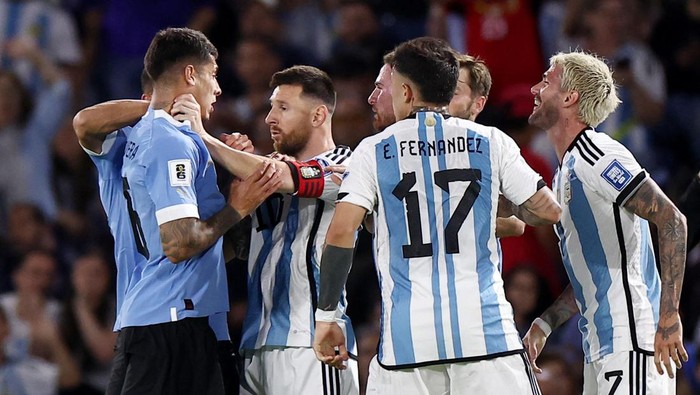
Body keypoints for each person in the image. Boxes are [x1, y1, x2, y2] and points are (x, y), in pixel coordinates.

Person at [313, 36, 561, 394]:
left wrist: (327, 317)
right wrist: (488, 203)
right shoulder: (491, 141)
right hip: (487, 336)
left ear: (408, 93)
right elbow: (547, 211)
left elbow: (340, 234)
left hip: (407, 342)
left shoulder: (373, 150)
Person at [110, 27, 280, 394]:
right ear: (190, 74)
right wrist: (237, 206)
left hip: (178, 319)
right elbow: (180, 244)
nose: (218, 88)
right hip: (172, 322)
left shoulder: (158, 137)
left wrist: (241, 195)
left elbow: (221, 247)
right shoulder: (169, 141)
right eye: (213, 74)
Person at [522, 51, 688, 394]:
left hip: (634, 342)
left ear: (570, 97)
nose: (535, 88)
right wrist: (545, 323)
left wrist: (669, 317)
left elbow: (672, 219)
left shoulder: (596, 153)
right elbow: (592, 276)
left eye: (546, 80)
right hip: (602, 348)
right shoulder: (564, 173)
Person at [190, 65, 360, 394]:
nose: (270, 117)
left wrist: (205, 138)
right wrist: (237, 179)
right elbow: (231, 249)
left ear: (318, 115)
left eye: (283, 107)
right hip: (256, 344)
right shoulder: (264, 169)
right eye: (271, 106)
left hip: (312, 342)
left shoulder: (346, 165)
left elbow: (284, 176)